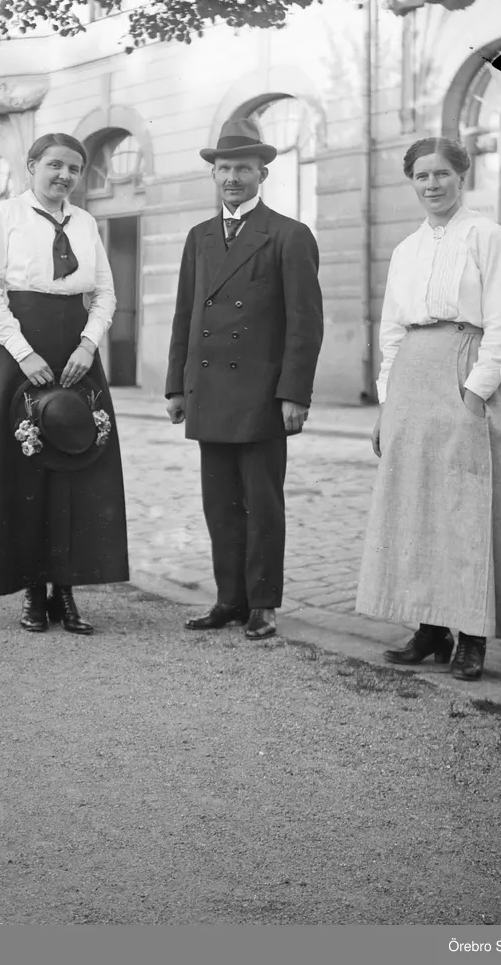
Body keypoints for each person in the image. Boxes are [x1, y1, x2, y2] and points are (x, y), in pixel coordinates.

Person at [356, 136, 501, 681]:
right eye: (421, 176)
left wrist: (476, 391)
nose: (431, 184)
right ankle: (430, 629)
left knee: (467, 505)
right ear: (411, 182)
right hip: (412, 377)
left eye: (441, 174)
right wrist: (388, 401)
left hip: (465, 369)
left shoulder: (488, 236)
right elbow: (392, 331)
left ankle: (473, 635)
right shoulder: (406, 249)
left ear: (462, 176)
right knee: (417, 504)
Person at [165, 116, 324, 639]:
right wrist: (176, 386)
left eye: (243, 168)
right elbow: (185, 315)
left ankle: (262, 604)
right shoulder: (199, 237)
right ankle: (229, 599)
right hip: (209, 391)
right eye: (224, 168)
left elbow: (305, 324)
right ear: (213, 174)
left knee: (262, 504)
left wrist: (294, 394)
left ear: (263, 174)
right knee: (219, 504)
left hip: (261, 396)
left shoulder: (288, 235)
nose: (232, 177)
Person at [0, 132, 129, 633]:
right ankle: (33, 593)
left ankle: (67, 590)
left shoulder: (85, 222)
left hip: (76, 354)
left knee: (78, 465)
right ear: (32, 165)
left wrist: (88, 344)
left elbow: (105, 292)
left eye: (74, 169)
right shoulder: (4, 216)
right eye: (55, 165)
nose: (65, 176)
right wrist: (23, 353)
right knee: (26, 470)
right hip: (22, 351)